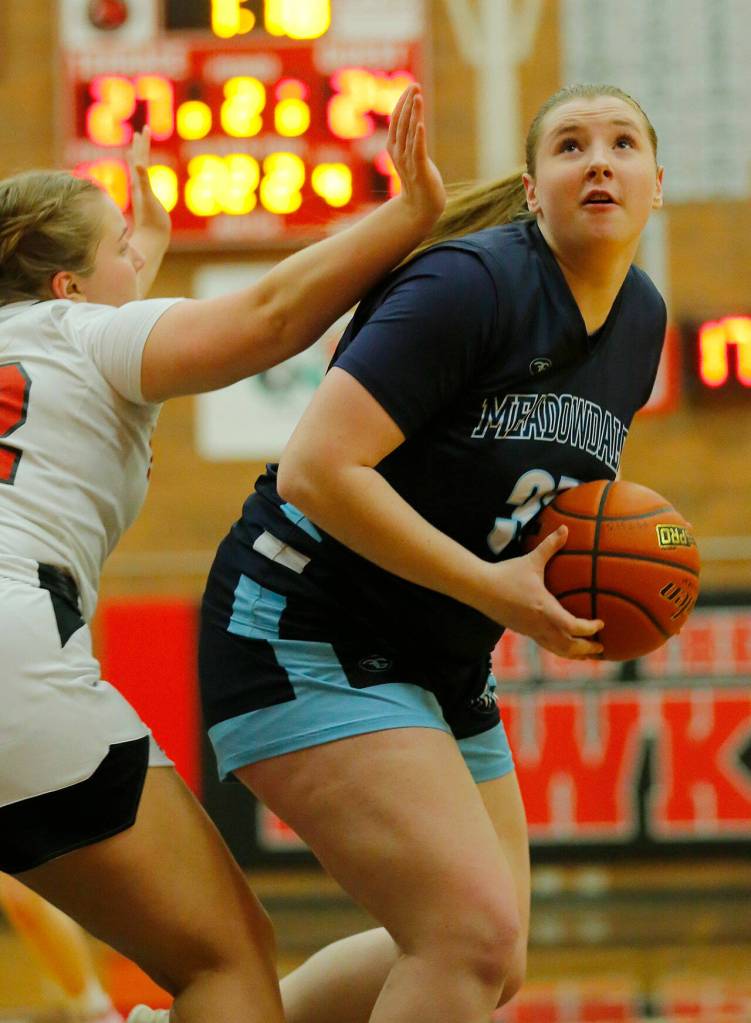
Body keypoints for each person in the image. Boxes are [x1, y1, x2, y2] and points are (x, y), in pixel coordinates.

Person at [198, 82, 667, 1023]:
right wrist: (493, 587)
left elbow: (513, 486)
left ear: (658, 182)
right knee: (466, 931)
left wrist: (598, 575)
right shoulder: (469, 284)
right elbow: (315, 472)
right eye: (570, 146)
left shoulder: (641, 319)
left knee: (496, 954)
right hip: (301, 626)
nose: (600, 160)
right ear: (533, 189)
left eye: (622, 143)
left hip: (435, 653)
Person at [0, 84, 445, 1023]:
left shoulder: (48, 328)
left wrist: (136, 244)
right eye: (122, 250)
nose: (141, 264)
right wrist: (407, 213)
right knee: (225, 962)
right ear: (69, 287)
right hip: (12, 654)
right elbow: (275, 316)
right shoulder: (83, 334)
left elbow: (91, 316)